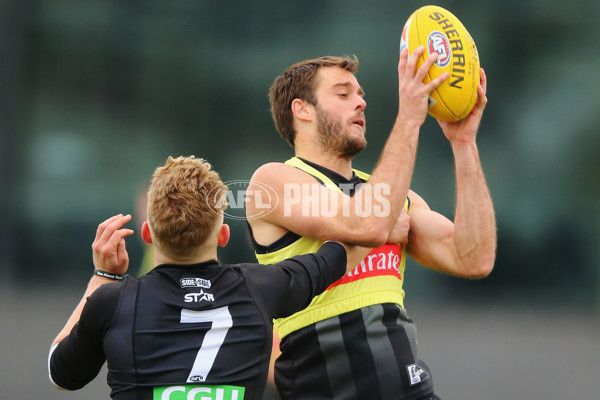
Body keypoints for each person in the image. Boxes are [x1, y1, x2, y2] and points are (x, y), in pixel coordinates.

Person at [245, 46, 497, 399]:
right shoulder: (273, 181)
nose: (360, 103)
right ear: (301, 110)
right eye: (343, 94)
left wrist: (463, 143)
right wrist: (409, 118)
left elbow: (474, 258)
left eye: (360, 95)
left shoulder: (397, 198)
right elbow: (369, 224)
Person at [47, 155, 385, 400]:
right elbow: (345, 247)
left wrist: (103, 276)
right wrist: (383, 222)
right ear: (223, 235)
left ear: (147, 233)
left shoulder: (112, 302)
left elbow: (60, 374)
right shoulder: (262, 287)